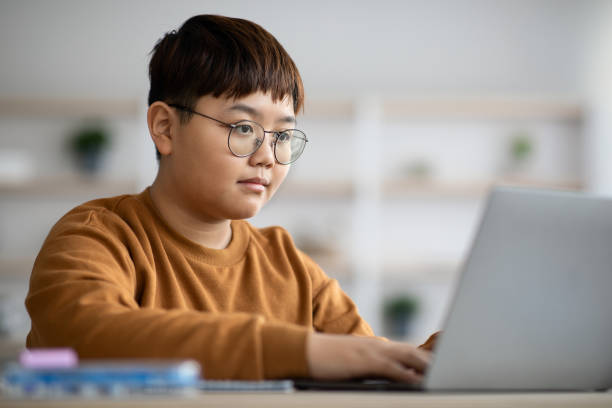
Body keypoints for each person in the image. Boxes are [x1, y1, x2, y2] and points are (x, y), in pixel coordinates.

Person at [25, 14, 436, 383]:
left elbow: (374, 366)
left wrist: (448, 354)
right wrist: (297, 350)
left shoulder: (291, 266)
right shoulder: (97, 236)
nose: (266, 156)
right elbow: (87, 334)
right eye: (243, 127)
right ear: (165, 128)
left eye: (283, 136)